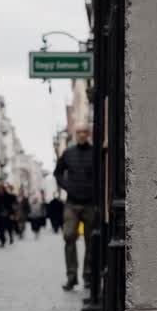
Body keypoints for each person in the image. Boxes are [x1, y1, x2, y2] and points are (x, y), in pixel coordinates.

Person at [55, 125, 98, 302]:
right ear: (75, 135)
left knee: (91, 240)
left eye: (84, 132)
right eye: (79, 132)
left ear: (88, 134)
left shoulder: (95, 152)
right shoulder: (68, 153)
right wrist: (67, 187)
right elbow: (57, 173)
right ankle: (72, 277)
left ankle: (88, 276)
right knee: (69, 236)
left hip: (90, 203)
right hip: (72, 203)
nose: (81, 135)